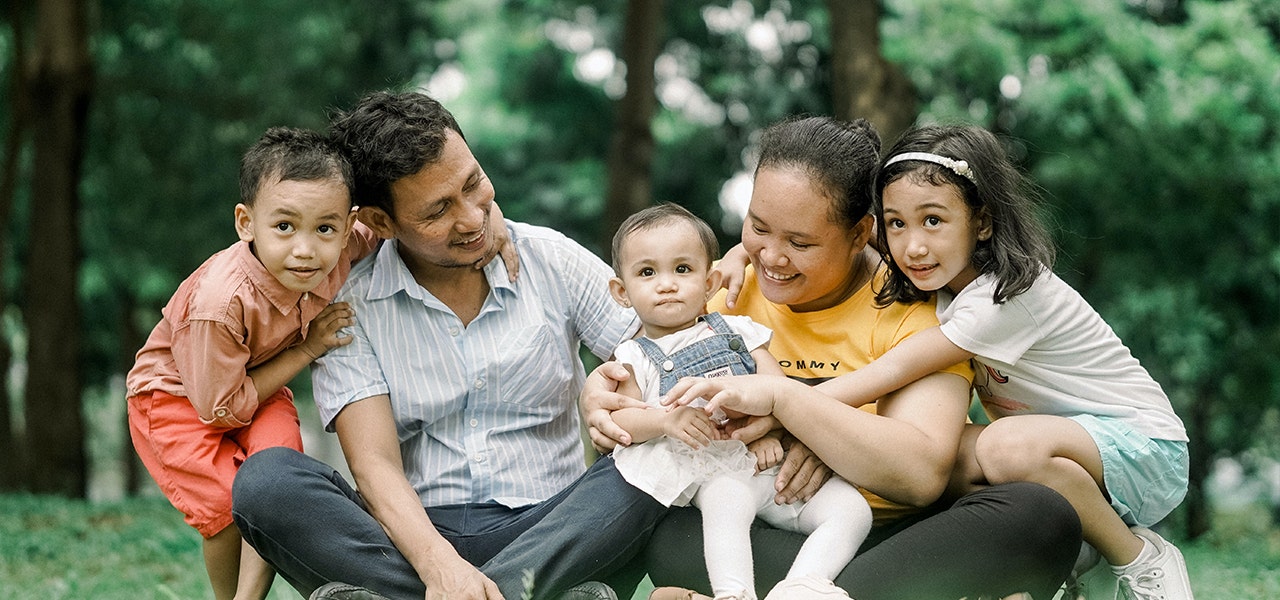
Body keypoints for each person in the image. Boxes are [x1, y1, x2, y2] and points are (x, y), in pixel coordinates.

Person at [585, 115, 1083, 600]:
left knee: (1041, 514)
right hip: (754, 532)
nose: (772, 257)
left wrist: (791, 408)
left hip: (893, 537)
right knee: (671, 535)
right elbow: (635, 393)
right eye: (758, 228)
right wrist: (601, 399)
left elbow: (921, 475)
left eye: (800, 243)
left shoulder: (913, 307)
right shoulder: (716, 286)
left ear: (861, 233)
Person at [230, 91, 668, 600]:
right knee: (266, 481)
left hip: (555, 527)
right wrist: (441, 569)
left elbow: (666, 351)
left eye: (473, 183)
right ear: (378, 223)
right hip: (414, 542)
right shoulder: (352, 306)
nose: (471, 219)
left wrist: (610, 383)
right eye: (438, 210)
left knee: (661, 456)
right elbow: (375, 466)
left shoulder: (551, 260)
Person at [783, 124, 1186, 600]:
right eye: (896, 223)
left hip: (1146, 448)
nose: (911, 246)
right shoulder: (942, 282)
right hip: (1058, 451)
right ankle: (1069, 556)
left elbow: (890, 370)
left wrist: (793, 410)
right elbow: (829, 240)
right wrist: (739, 255)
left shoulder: (1005, 294)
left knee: (1001, 448)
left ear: (983, 222)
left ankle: (1137, 556)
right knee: (928, 458)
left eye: (933, 220)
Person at [126, 127, 379, 600]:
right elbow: (217, 409)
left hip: (256, 384)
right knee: (225, 509)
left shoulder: (345, 244)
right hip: (178, 399)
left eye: (325, 228)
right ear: (246, 223)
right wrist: (307, 350)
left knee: (277, 485)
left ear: (347, 226)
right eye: (284, 226)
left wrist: (494, 233)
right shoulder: (220, 304)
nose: (305, 250)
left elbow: (403, 224)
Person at [606, 203, 871, 600]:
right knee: (725, 505)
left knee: (852, 509)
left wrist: (771, 428)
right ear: (622, 292)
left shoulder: (737, 330)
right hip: (715, 472)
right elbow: (623, 421)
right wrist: (664, 421)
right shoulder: (634, 356)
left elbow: (780, 389)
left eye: (682, 270)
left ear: (710, 282)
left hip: (772, 466)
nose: (666, 284)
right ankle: (735, 593)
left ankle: (804, 584)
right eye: (648, 272)